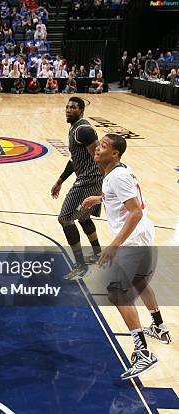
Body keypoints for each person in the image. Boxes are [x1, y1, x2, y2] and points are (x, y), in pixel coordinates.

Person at [82, 134, 171, 379]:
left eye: (103, 146)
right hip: (140, 237)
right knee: (140, 283)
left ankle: (143, 353)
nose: (98, 148)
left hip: (132, 239)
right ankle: (159, 326)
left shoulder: (117, 175)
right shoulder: (119, 171)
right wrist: (99, 198)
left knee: (117, 292)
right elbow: (125, 198)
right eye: (98, 144)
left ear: (115, 154)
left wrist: (114, 245)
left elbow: (135, 212)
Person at [51, 97, 103, 280]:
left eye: (72, 107)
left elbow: (99, 156)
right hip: (90, 179)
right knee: (83, 216)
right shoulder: (75, 129)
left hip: (89, 181)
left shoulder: (84, 130)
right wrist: (60, 180)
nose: (68, 110)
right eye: (66, 107)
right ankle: (97, 254)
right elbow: (75, 160)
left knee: (65, 219)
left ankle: (80, 266)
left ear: (81, 110)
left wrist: (104, 184)